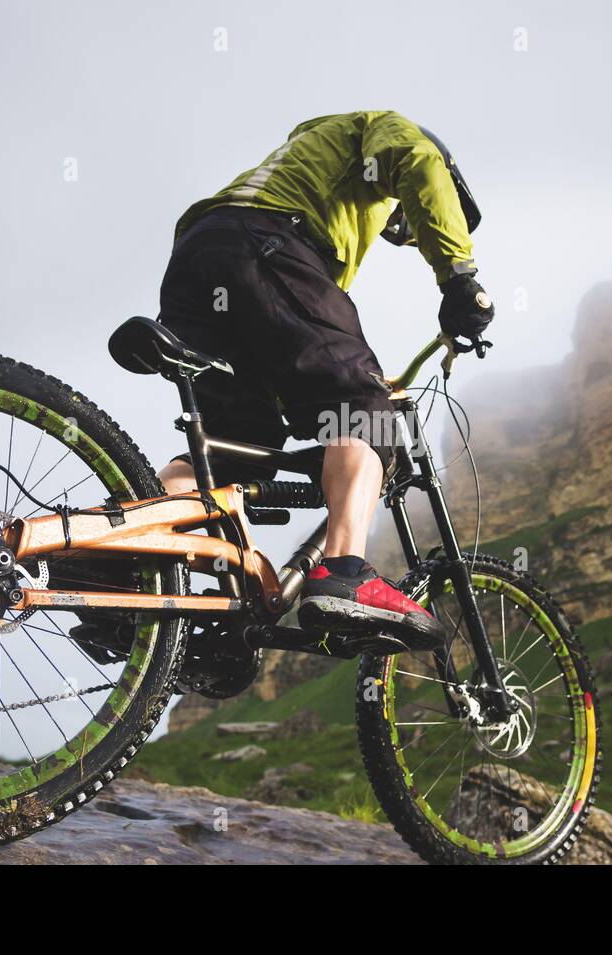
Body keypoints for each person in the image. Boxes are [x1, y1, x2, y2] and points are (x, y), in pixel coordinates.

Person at [153, 111, 494, 645]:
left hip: (198, 263)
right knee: (362, 412)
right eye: (398, 216)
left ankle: (136, 560)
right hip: (261, 244)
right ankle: (344, 575)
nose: (394, 224)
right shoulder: (380, 127)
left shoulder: (304, 163)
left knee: (236, 444)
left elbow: (289, 325)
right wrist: (460, 279)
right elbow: (418, 162)